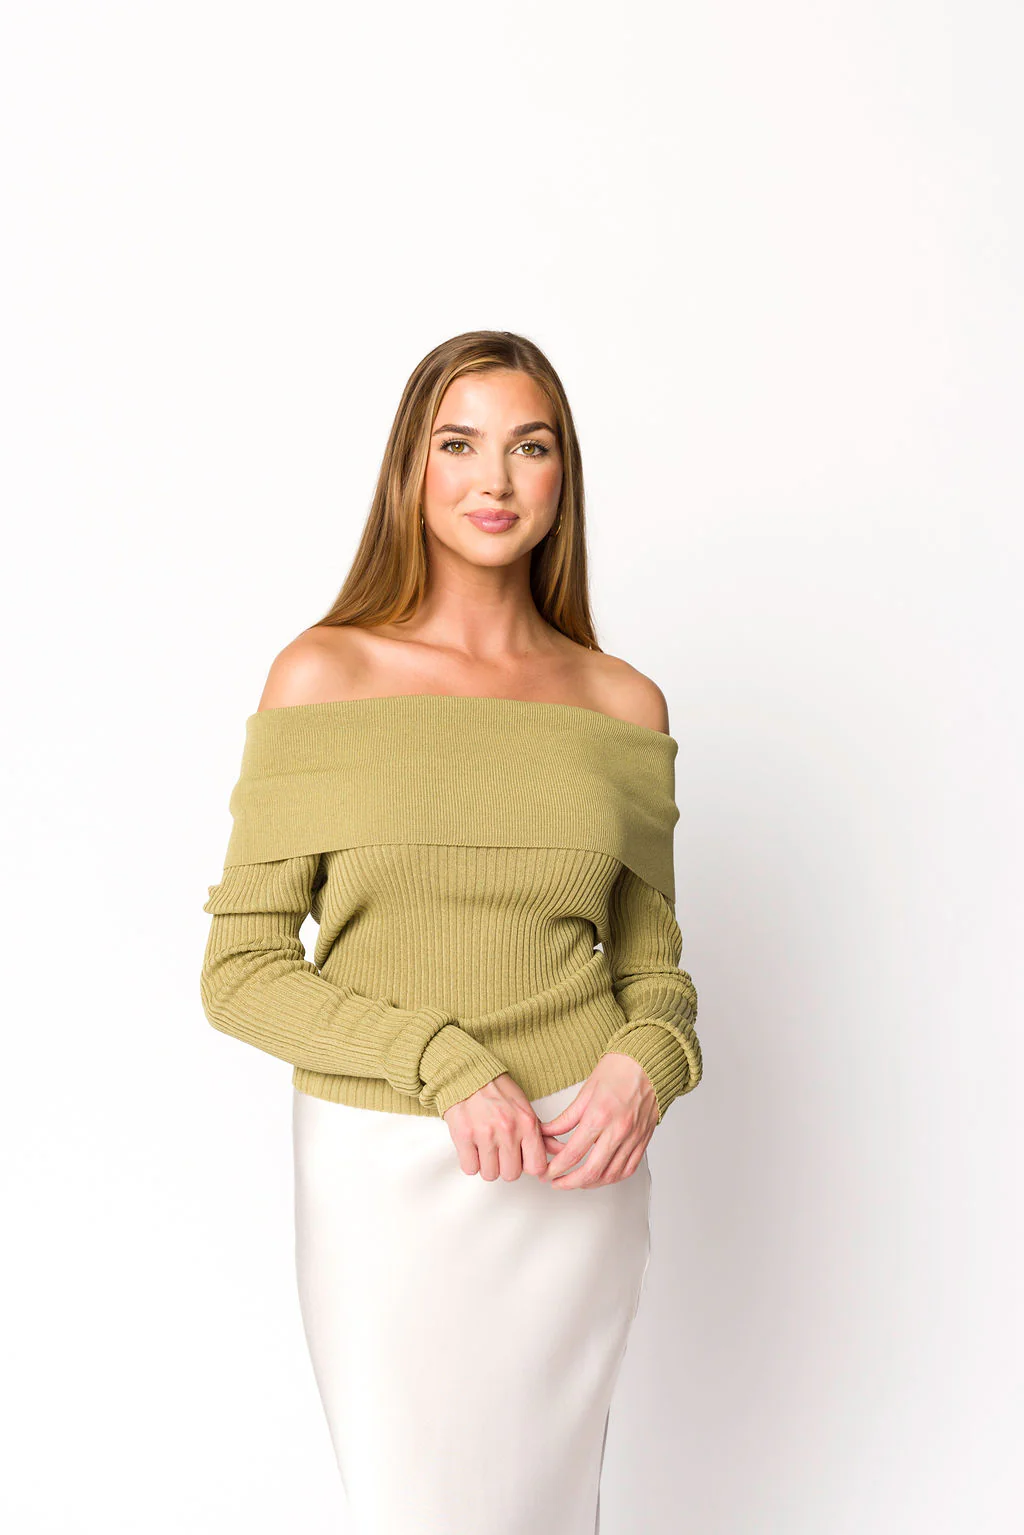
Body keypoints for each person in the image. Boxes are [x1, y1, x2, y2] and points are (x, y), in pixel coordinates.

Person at [199, 329, 702, 1535]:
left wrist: (648, 1064)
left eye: (529, 446)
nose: (495, 479)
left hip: (575, 1161)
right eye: (459, 444)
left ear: (562, 473)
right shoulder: (323, 674)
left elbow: (655, 975)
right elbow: (240, 970)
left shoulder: (620, 702)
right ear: (410, 470)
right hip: (387, 1164)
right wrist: (442, 1061)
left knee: (545, 1508)